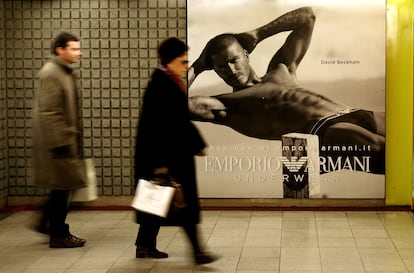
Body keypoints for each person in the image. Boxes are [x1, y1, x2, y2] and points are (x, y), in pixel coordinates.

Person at [188, 6, 385, 174]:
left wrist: (258, 33)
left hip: (353, 113)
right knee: (392, 156)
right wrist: (196, 67)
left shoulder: (280, 68)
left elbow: (307, 17)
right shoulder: (227, 105)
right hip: (325, 131)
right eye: (221, 67)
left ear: (246, 55)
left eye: (234, 60)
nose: (230, 69)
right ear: (213, 69)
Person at [133, 37, 218, 264]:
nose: (186, 66)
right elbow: (167, 124)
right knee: (184, 204)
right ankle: (198, 251)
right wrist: (161, 163)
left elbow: (178, 120)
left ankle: (145, 244)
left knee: (157, 201)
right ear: (169, 61)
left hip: (167, 153)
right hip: (167, 155)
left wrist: (196, 144)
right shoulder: (162, 86)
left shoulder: (166, 80)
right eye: (182, 61)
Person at [32, 32, 86, 248]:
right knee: (62, 188)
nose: (79, 52)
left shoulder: (64, 72)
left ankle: (46, 222)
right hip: (59, 145)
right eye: (73, 48)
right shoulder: (52, 73)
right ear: (59, 50)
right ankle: (58, 234)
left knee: (62, 188)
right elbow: (48, 112)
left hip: (64, 142)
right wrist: (61, 142)